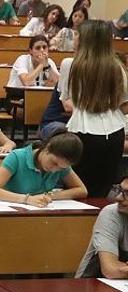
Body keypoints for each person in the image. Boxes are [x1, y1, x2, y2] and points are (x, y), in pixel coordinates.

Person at [60, 20, 128, 197]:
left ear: (86, 39)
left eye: (77, 34)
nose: (74, 38)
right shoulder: (118, 67)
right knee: (101, 192)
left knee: (76, 190)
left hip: (82, 130)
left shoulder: (70, 64)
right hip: (114, 133)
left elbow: (66, 100)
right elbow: (125, 103)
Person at [0, 130, 87, 207]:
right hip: (12, 211)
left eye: (61, 168)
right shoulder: (17, 157)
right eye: (54, 163)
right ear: (47, 149)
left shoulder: (61, 164)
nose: (54, 170)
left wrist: (50, 196)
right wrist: (27, 199)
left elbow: (81, 190)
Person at [75, 173, 128, 278]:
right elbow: (110, 269)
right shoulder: (111, 213)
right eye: (120, 190)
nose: (118, 198)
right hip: (94, 285)